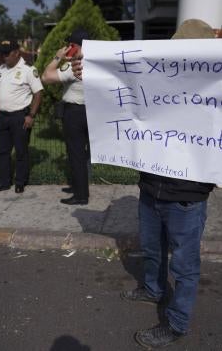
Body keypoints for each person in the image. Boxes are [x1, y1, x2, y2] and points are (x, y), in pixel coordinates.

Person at [72, 18, 217, 349]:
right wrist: (91, 75)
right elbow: (118, 84)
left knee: (184, 265)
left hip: (187, 198)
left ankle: (177, 323)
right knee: (151, 248)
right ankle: (152, 289)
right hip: (151, 187)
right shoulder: (156, 79)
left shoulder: (214, 90)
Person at [42, 28, 90, 205]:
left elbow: (46, 77)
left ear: (74, 45)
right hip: (89, 112)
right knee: (82, 154)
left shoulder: (74, 65)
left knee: (75, 153)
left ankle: (81, 195)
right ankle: (79, 186)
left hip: (75, 113)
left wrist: (57, 57)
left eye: (69, 44)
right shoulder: (94, 62)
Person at [0, 40, 43, 194]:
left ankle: (20, 182)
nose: (3, 56)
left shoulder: (28, 70)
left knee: (21, 151)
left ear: (17, 53)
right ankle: (3, 182)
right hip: (2, 117)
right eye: (2, 53)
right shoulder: (1, 69)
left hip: (20, 116)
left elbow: (38, 94)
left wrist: (31, 115)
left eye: (6, 53)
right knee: (2, 152)